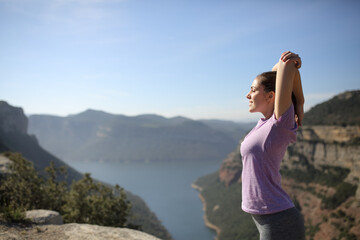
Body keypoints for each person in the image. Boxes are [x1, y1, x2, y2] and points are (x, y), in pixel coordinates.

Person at [240, 51, 305, 240]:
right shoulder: (265, 123)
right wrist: (289, 66)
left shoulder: (280, 123)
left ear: (270, 96)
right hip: (268, 219)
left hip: (278, 220)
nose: (247, 95)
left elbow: (285, 66)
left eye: (253, 89)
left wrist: (299, 102)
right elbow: (279, 70)